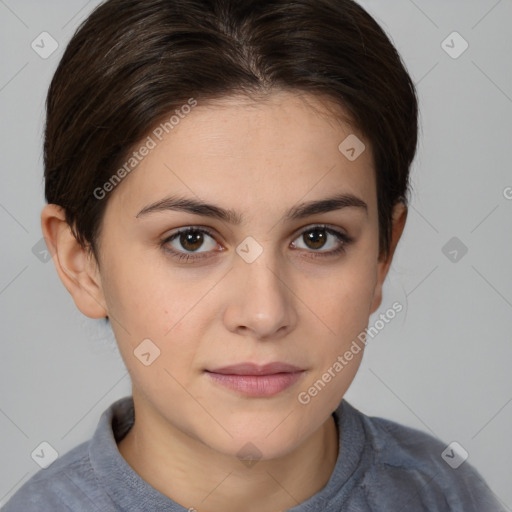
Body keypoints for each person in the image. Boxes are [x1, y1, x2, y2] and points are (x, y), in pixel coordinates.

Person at [2, 0, 505, 510]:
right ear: (80, 262)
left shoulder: (450, 494)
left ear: (383, 254)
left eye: (317, 238)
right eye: (191, 239)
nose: (265, 314)